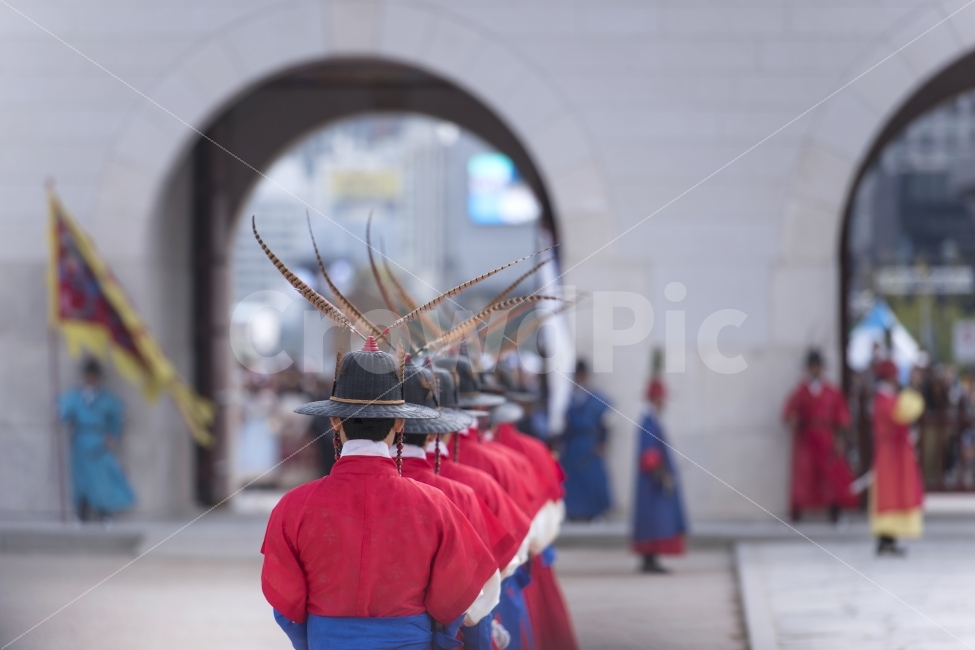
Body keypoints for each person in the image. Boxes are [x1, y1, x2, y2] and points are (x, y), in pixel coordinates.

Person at [261, 338, 499, 650]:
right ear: (401, 423)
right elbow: (459, 596)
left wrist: (317, 640)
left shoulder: (293, 506)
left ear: (334, 421)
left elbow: (285, 601)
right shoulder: (436, 505)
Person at [783, 350, 859, 522]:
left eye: (818, 367)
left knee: (831, 476)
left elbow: (842, 417)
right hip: (806, 438)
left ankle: (834, 511)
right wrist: (792, 419)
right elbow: (789, 413)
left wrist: (840, 438)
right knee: (804, 475)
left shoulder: (831, 392)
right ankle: (798, 511)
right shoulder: (800, 392)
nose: (815, 370)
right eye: (812, 367)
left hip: (826, 437)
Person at [58, 358, 135, 522]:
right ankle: (81, 513)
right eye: (88, 376)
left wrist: (113, 436)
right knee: (81, 480)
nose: (91, 379)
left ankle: (105, 512)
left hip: (99, 441)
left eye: (94, 376)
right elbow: (63, 411)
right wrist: (59, 411)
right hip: (80, 441)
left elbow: (116, 418)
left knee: (102, 480)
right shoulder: (76, 397)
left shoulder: (107, 399)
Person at [633, 378, 687, 574]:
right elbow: (649, 455)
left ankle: (652, 558)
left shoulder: (652, 420)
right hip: (652, 482)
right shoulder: (648, 422)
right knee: (655, 520)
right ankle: (649, 558)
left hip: (653, 480)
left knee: (656, 519)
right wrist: (663, 475)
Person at [871, 359, 925, 556]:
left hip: (894, 452)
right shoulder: (884, 400)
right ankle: (885, 538)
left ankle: (889, 538)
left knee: (893, 492)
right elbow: (906, 411)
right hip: (891, 454)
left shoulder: (885, 397)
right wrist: (912, 387)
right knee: (889, 493)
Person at [561, 360, 612, 521]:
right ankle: (573, 512)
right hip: (572, 444)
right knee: (573, 479)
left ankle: (596, 512)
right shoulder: (567, 398)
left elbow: (606, 422)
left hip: (591, 443)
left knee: (593, 478)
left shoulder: (597, 398)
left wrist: (603, 441)